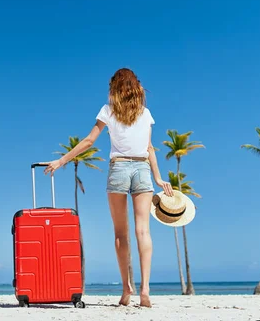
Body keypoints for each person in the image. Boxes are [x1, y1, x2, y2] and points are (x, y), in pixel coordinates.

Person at [44, 67, 173, 308]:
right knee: (143, 231)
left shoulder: (108, 111)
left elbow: (90, 140)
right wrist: (157, 177)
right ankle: (145, 289)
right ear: (137, 87)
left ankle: (127, 289)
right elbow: (149, 148)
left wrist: (62, 160)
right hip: (143, 169)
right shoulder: (145, 113)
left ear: (114, 87)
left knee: (120, 234)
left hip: (119, 170)